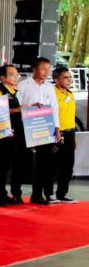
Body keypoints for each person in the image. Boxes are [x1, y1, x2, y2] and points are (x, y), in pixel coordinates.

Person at [18, 57, 57, 205]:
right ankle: (16, 193)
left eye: (48, 69)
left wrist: (57, 128)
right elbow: (18, 106)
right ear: (34, 69)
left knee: (44, 162)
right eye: (43, 68)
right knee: (23, 161)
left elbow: (54, 108)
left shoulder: (49, 87)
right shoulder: (23, 85)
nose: (46, 72)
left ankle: (38, 194)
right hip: (27, 127)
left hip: (45, 127)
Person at [0, 63, 24, 207]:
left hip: (14, 134)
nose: (16, 77)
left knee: (7, 166)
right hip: (1, 135)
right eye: (12, 74)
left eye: (17, 75)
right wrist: (17, 110)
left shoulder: (15, 92)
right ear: (2, 78)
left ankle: (2, 193)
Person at [53, 65, 77, 203]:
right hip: (57, 133)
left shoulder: (71, 94)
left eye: (70, 77)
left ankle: (62, 193)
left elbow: (70, 116)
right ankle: (48, 193)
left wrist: (73, 136)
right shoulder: (52, 94)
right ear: (56, 79)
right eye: (65, 77)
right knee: (54, 164)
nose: (69, 80)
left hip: (70, 133)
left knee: (68, 165)